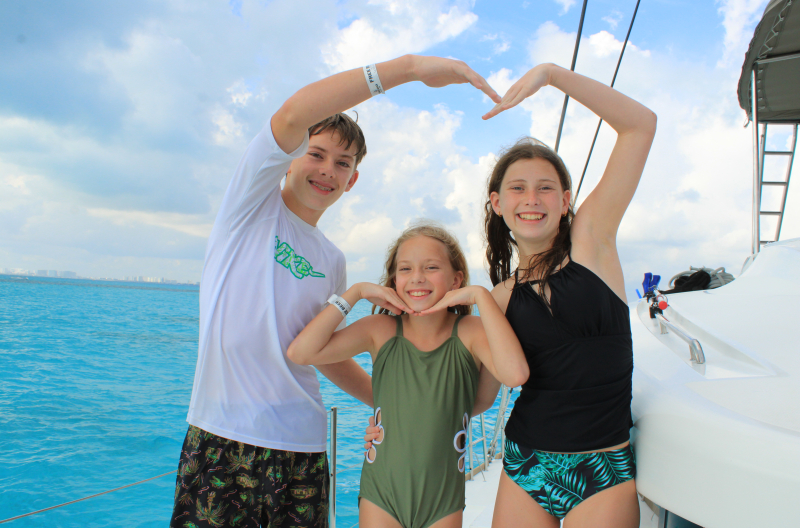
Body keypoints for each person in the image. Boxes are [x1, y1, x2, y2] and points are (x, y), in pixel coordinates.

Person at [169, 56, 501, 527]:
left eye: (342, 163)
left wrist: (398, 412)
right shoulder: (249, 205)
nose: (328, 169)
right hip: (223, 436)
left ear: (352, 180)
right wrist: (409, 69)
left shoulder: (332, 260)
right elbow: (292, 114)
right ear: (289, 159)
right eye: (316, 154)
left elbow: (324, 353)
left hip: (304, 446)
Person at [482, 64, 657, 528]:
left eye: (545, 188)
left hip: (601, 466)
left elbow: (640, 126)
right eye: (517, 188)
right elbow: (478, 396)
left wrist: (553, 76)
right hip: (524, 462)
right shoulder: (498, 297)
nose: (531, 199)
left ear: (565, 200)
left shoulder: (592, 243)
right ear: (498, 203)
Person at [287, 223, 529, 528]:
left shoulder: (472, 332)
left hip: (443, 498)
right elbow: (301, 352)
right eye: (405, 269)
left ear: (456, 280)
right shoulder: (380, 330)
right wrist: (356, 292)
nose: (417, 277)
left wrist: (481, 296)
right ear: (393, 281)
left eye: (431, 267)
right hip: (381, 493)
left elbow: (513, 376)